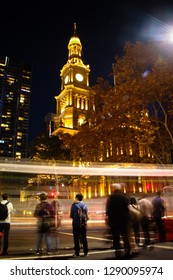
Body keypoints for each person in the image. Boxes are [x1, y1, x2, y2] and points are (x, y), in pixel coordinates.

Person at [105, 183, 131, 259]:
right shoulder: (125, 197)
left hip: (114, 220)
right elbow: (128, 208)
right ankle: (127, 250)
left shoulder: (111, 197)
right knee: (125, 236)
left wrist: (108, 219)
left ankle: (118, 251)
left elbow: (108, 209)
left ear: (114, 189)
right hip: (124, 220)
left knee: (116, 237)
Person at [70, 193, 89, 257]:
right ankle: (86, 252)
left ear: (77, 198)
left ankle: (77, 252)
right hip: (83, 224)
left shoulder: (74, 205)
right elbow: (86, 214)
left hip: (76, 223)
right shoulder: (84, 205)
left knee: (76, 238)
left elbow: (71, 215)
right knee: (84, 238)